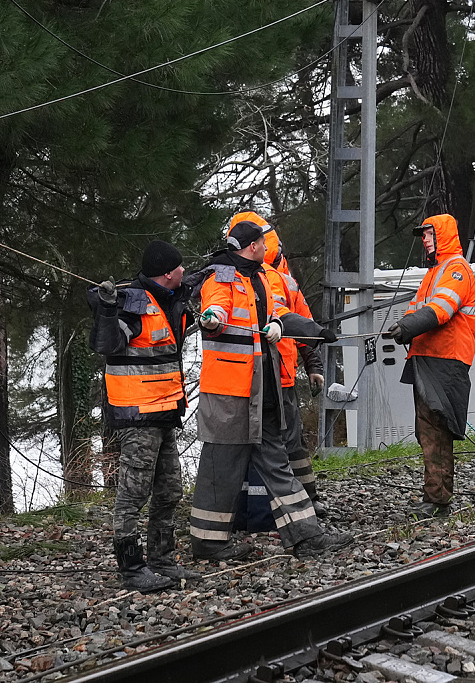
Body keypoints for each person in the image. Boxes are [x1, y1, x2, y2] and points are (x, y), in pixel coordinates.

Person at [186, 213, 349, 560]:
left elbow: (280, 313)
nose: (267, 245)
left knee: (277, 462)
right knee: (221, 465)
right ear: (251, 247)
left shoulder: (261, 277)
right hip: (230, 395)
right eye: (261, 241)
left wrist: (313, 331)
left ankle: (306, 536)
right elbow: (215, 312)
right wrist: (212, 319)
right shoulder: (221, 278)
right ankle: (207, 542)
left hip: (262, 391)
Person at [92, 240, 195, 592]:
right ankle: (132, 568)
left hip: (164, 411)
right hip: (138, 415)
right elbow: (106, 345)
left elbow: (192, 284)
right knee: (132, 494)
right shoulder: (132, 304)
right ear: (168, 273)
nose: (184, 271)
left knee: (169, 490)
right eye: (180, 266)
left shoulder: (169, 296)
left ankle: (162, 560)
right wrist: (107, 311)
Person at [388, 214, 475, 518]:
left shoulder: (456, 269)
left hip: (446, 359)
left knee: (436, 429)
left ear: (443, 235)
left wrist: (407, 326)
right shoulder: (434, 273)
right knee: (428, 429)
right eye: (423, 235)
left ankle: (437, 500)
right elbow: (422, 310)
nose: (425, 239)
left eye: (429, 234)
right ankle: (435, 496)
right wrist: (406, 328)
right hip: (428, 358)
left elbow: (441, 309)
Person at [270, 244, 329, 516]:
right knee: (273, 446)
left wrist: (313, 365)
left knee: (294, 443)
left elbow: (302, 326)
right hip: (261, 378)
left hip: (284, 376)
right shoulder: (248, 277)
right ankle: (270, 508)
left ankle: (308, 499)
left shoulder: (285, 280)